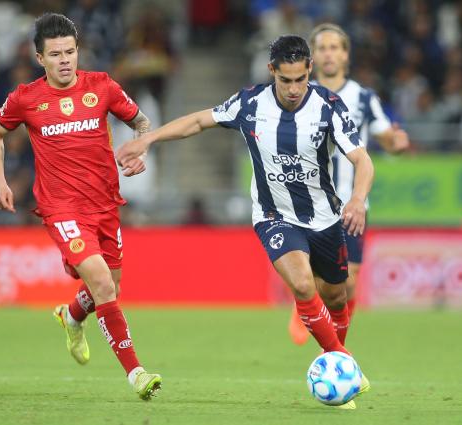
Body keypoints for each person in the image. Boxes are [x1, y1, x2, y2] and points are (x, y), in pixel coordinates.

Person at [117, 35, 372, 409]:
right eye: (285, 80)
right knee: (302, 284)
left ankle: (339, 359)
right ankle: (346, 367)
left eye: (300, 79)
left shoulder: (328, 106)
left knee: (336, 295)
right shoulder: (250, 103)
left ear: (309, 72)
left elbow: (363, 161)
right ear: (272, 71)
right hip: (273, 216)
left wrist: (357, 200)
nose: (293, 88)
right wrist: (150, 139)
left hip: (324, 218)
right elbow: (199, 121)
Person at [0, 13, 161, 400]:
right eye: (56, 54)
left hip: (105, 204)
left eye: (70, 52)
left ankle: (71, 315)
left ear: (78, 51)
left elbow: (143, 122)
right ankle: (137, 374)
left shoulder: (103, 87)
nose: (65, 60)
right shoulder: (26, 98)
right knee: (99, 282)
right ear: (39, 58)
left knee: (110, 287)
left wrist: (140, 147)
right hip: (61, 208)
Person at [286, 23, 411, 345]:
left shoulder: (364, 98)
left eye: (335, 47)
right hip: (310, 200)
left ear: (345, 55)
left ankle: (336, 341)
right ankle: (305, 302)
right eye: (323, 47)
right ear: (313, 57)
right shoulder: (298, 93)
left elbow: (385, 134)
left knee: (349, 282)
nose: (329, 53)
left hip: (351, 202)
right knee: (312, 276)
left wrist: (396, 143)